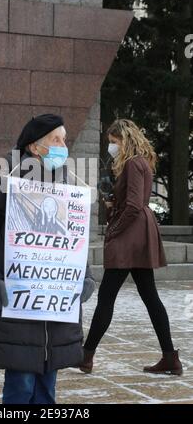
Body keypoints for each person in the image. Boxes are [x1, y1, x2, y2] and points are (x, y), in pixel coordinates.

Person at [0, 114, 95, 404]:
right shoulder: (5, 183)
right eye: (56, 140)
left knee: (47, 391)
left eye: (64, 139)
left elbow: (71, 243)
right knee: (20, 389)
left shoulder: (69, 187)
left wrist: (85, 276)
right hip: (17, 308)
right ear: (35, 148)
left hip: (56, 311)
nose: (64, 146)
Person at [79, 119, 183, 376]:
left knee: (108, 297)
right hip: (138, 233)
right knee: (149, 296)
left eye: (114, 143)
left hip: (130, 234)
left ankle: (86, 356)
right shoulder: (139, 162)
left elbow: (135, 205)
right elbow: (133, 201)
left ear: (124, 140)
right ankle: (169, 357)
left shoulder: (134, 163)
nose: (111, 148)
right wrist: (116, 203)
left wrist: (114, 230)